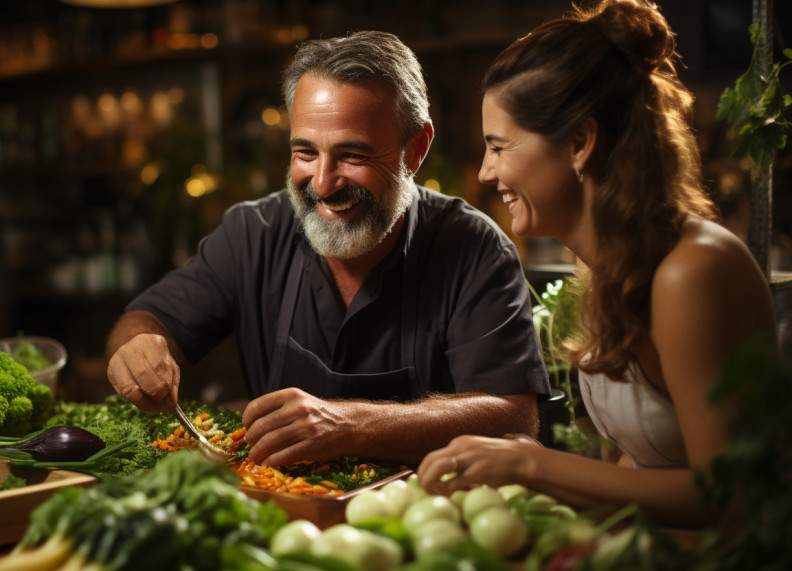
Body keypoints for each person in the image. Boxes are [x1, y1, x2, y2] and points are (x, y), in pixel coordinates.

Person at [106, 30, 550, 468]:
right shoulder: (252, 232)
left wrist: (350, 425)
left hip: (415, 521)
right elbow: (145, 321)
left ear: (415, 149)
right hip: (277, 518)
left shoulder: (475, 248)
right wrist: (138, 349)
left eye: (352, 156)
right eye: (305, 152)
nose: (322, 183)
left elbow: (513, 417)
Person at [417, 0, 778, 528]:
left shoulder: (692, 271)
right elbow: (635, 469)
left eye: (498, 146)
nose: (486, 172)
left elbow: (738, 494)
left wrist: (530, 463)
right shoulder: (600, 267)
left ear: (580, 142)